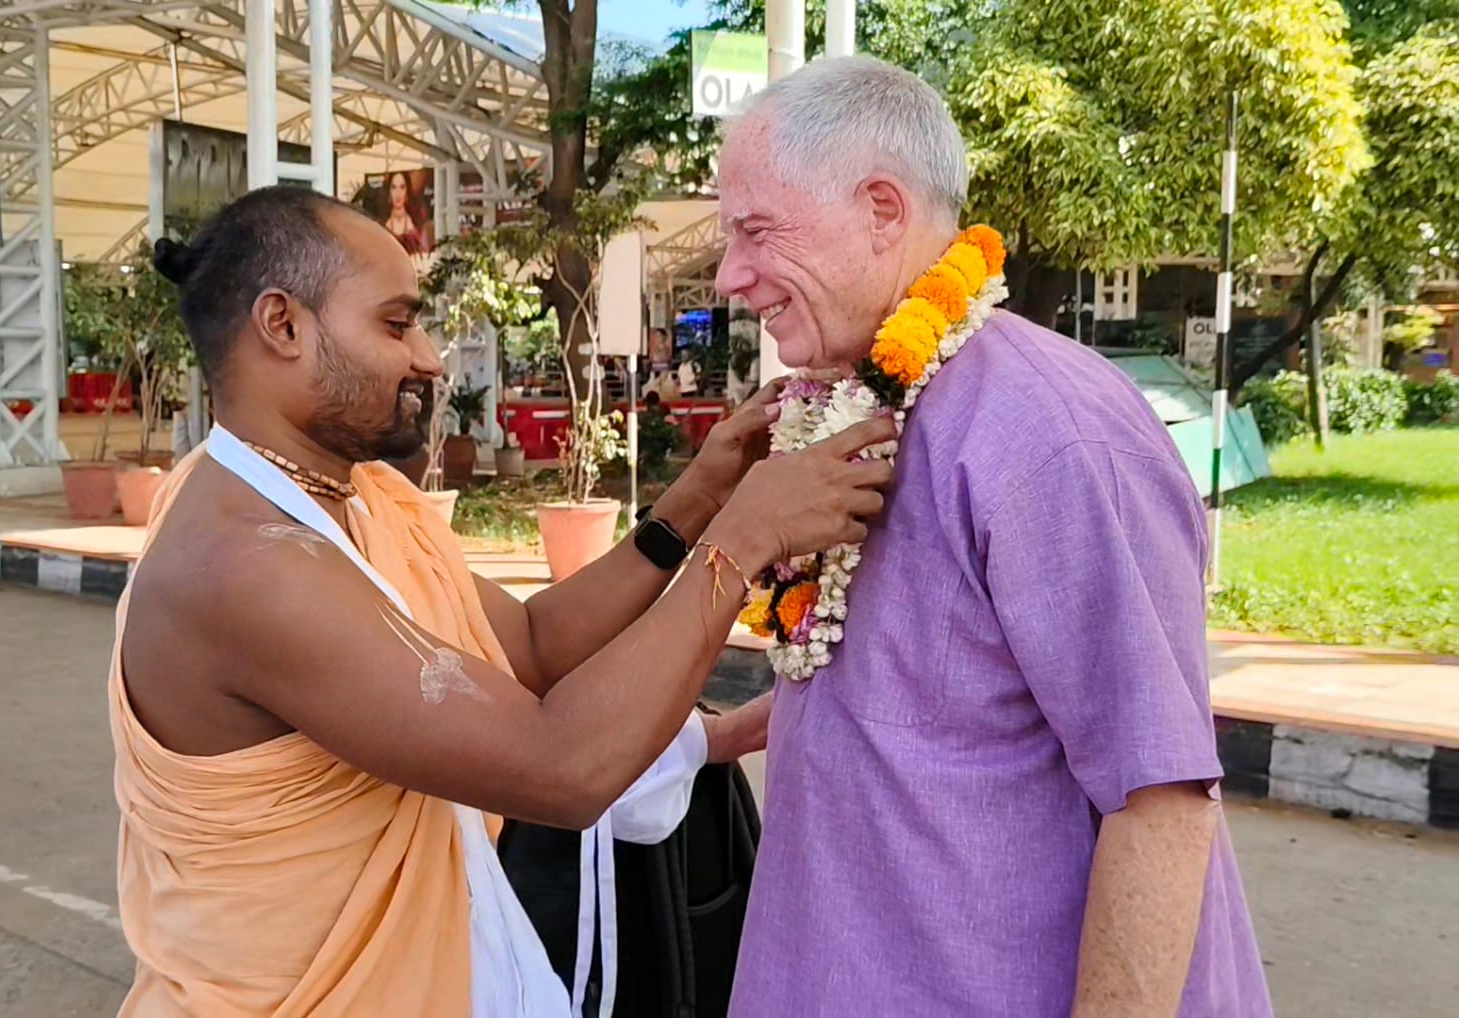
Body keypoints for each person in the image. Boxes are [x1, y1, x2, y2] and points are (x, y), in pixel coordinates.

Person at [113, 185, 892, 1016]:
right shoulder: (246, 564)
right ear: (283, 325)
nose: (431, 358)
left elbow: (524, 647)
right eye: (395, 323)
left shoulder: (361, 496)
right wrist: (741, 540)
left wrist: (696, 500)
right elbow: (563, 767)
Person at [714, 57, 1270, 1017]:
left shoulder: (1049, 438)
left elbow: (1161, 799)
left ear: (883, 209)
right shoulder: (853, 408)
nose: (731, 275)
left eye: (756, 232)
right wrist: (711, 744)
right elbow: (922, 688)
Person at [382, 169, 430, 256]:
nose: (398, 193)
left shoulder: (416, 223)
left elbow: (425, 253)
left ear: (407, 191)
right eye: (393, 187)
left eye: (402, 187)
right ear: (389, 192)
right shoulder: (383, 225)